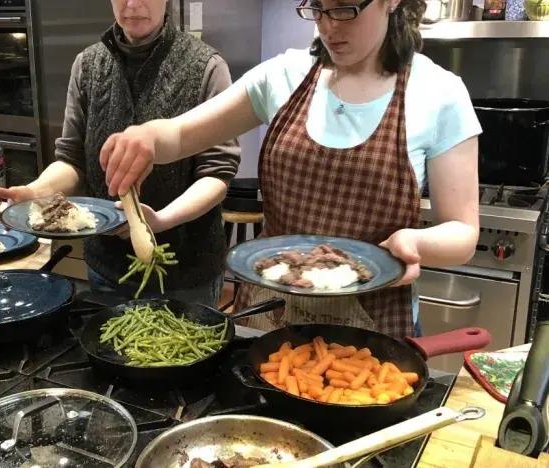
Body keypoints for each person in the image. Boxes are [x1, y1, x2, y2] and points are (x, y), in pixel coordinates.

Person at [98, 0, 481, 338]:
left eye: (345, 8)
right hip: (271, 315)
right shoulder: (283, 76)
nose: (329, 26)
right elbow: (180, 135)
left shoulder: (439, 93)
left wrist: (414, 243)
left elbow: (463, 233)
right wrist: (147, 137)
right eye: (317, 7)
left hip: (373, 327)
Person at [0, 0, 240, 308]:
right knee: (114, 351)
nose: (132, 4)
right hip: (108, 267)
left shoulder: (206, 67)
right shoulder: (88, 65)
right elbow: (71, 159)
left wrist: (161, 220)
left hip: (187, 272)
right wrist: (35, 192)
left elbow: (216, 174)